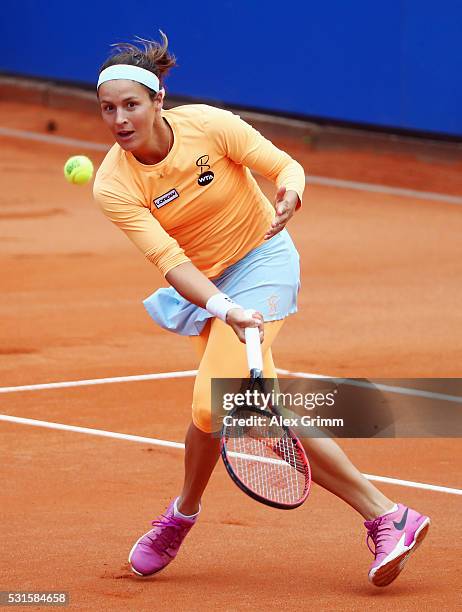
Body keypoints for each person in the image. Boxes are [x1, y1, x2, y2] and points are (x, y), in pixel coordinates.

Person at [93, 32, 430, 587]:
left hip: (262, 262)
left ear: (158, 102)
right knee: (250, 407)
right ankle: (388, 516)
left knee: (214, 405)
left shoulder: (209, 125)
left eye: (132, 105)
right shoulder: (113, 183)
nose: (121, 120)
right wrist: (224, 307)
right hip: (206, 285)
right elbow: (169, 260)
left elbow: (283, 165)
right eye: (109, 109)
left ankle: (182, 517)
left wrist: (290, 192)